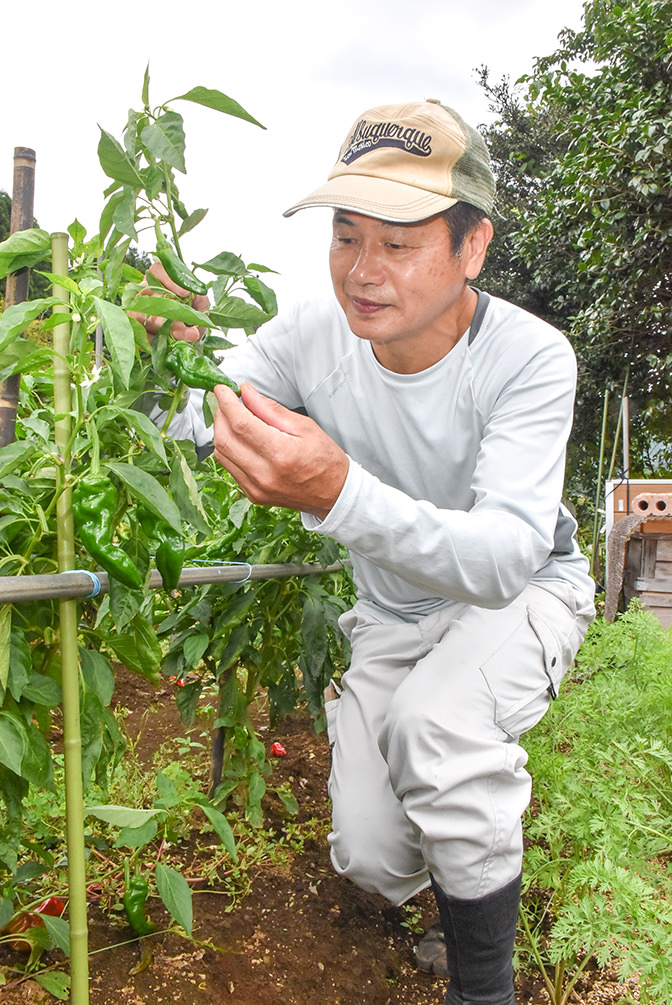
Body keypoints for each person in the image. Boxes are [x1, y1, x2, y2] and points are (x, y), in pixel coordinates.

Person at [145, 100, 595, 1005]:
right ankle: (467, 855)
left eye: (398, 243)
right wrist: (168, 358)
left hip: (516, 596)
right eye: (346, 236)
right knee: (369, 849)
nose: (362, 270)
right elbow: (200, 419)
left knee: (440, 724)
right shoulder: (311, 340)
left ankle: (484, 985)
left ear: (472, 247)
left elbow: (508, 554)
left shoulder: (529, 358)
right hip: (393, 611)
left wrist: (339, 490)